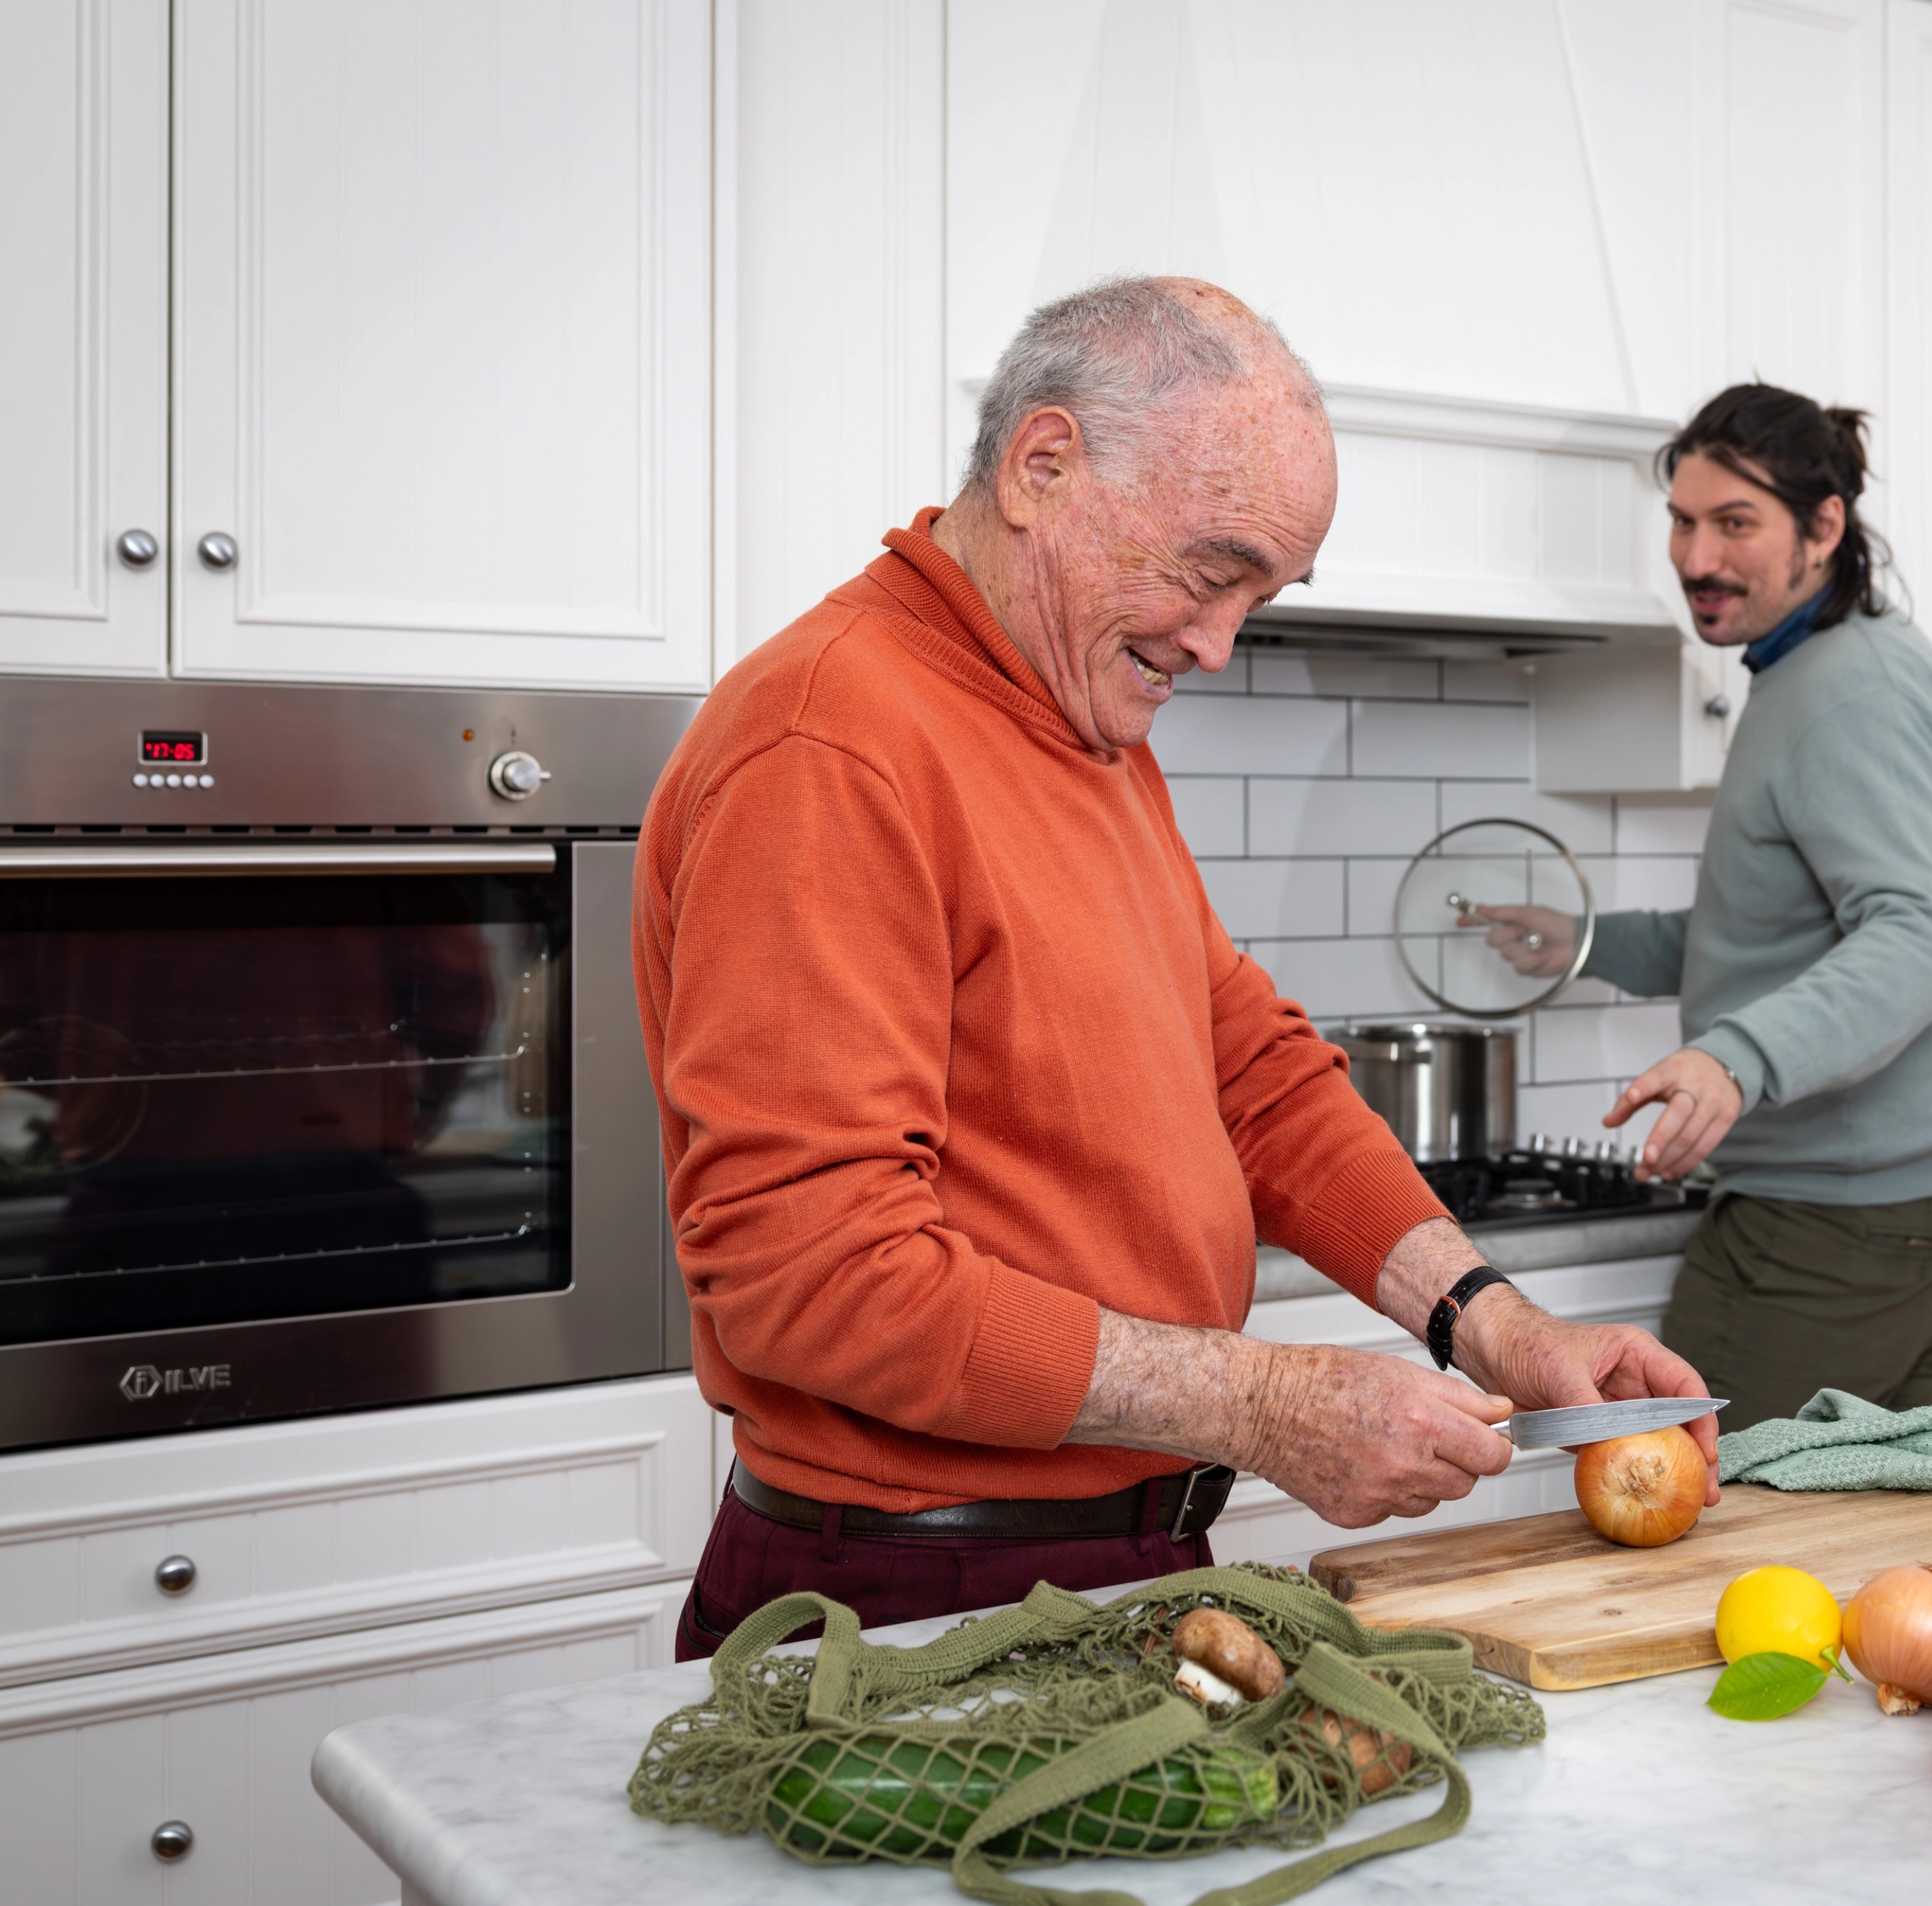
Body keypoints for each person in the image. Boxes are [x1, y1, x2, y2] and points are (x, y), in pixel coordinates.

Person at [634, 276, 1713, 1660]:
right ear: (1042, 465)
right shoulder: (831, 746)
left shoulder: (1086, 729)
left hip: (1111, 1569)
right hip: (911, 1602)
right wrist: (1264, 1404)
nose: (1217, 642)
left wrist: (1496, 1326)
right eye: (1212, 572)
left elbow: (1254, 1078)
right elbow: (810, 1274)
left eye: (1263, 592)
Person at [1475, 383, 1932, 1433]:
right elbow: (1769, 933)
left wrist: (1736, 1057)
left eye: (1734, 524)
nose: (1696, 557)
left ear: (1823, 529)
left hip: (1835, 1231)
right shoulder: (1829, 670)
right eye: (1682, 520)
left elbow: (1914, 940)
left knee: (1684, 1496)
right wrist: (1586, 945)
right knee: (1849, 1549)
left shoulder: (1849, 696)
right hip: (1898, 1219)